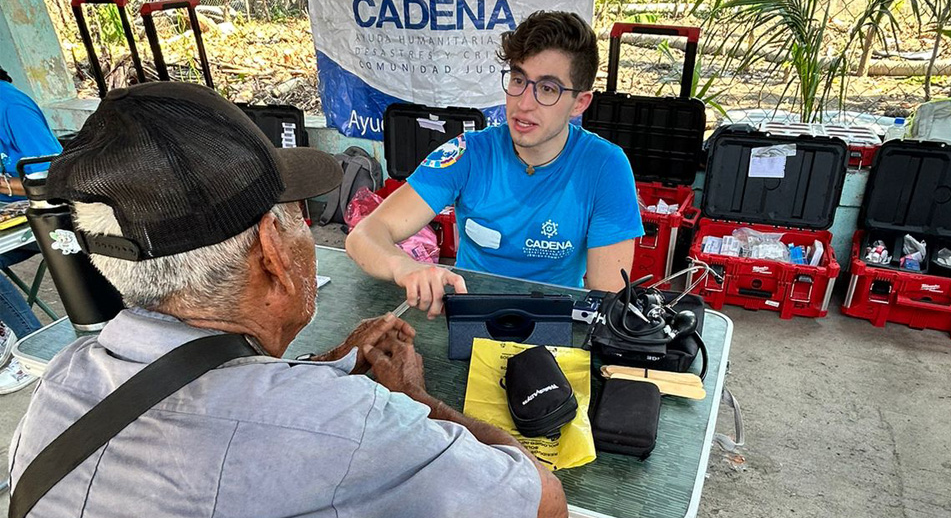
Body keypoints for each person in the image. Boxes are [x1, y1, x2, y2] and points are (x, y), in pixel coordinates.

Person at [8, 82, 566, 518]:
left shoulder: (60, 383)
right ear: (273, 253)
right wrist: (416, 399)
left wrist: (319, 371)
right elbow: (541, 501)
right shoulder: (351, 429)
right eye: (298, 215)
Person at [346, 11, 643, 318]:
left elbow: (607, 298)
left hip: (556, 323)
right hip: (470, 317)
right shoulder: (470, 153)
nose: (524, 103)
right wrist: (405, 267)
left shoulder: (605, 166)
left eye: (548, 88)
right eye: (518, 79)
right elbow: (364, 235)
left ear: (579, 103)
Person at [0, 65, 64, 394]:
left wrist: (5, 186)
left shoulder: (11, 107)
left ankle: (30, 349)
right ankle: (4, 327)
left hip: (43, 217)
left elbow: (53, 178)